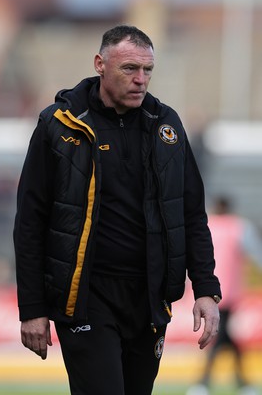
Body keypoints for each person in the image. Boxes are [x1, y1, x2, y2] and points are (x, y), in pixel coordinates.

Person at [14, 25, 221, 395]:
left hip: (148, 298)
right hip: (85, 298)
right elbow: (30, 221)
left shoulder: (166, 126)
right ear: (100, 64)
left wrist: (206, 289)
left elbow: (190, 214)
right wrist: (32, 307)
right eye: (129, 69)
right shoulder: (59, 125)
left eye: (147, 71)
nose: (141, 80)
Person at [186, 196, 262, 395]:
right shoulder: (239, 227)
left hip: (207, 291)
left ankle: (205, 383)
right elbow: (257, 255)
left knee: (220, 337)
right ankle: (238, 383)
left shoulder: (207, 226)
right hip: (230, 292)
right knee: (223, 337)